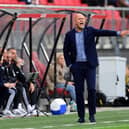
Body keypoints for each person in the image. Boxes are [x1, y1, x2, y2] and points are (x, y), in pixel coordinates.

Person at [63, 13, 129, 123]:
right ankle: (81, 117)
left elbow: (103, 32)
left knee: (92, 89)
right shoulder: (69, 35)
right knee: (79, 91)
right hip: (77, 66)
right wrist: (70, 65)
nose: (82, 21)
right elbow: (66, 51)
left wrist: (118, 33)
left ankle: (92, 115)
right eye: (79, 19)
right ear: (75, 21)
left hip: (90, 65)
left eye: (83, 19)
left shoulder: (90, 31)